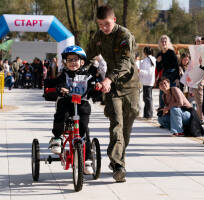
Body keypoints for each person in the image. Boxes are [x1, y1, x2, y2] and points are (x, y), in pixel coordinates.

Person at [86, 5, 140, 182]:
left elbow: (125, 62)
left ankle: (118, 158)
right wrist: (77, 69)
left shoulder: (124, 35)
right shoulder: (99, 36)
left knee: (127, 127)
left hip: (130, 85)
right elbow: (89, 56)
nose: (103, 28)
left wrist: (109, 78)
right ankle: (118, 165)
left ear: (114, 20)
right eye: (100, 24)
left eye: (106, 24)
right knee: (116, 123)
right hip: (112, 88)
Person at [49, 45, 96, 175]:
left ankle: (87, 160)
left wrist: (96, 86)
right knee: (61, 114)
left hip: (82, 104)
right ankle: (57, 138)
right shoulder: (64, 74)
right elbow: (59, 83)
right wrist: (61, 88)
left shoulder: (87, 75)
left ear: (82, 61)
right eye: (69, 60)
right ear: (65, 62)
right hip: (67, 102)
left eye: (75, 60)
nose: (73, 63)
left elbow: (94, 84)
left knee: (84, 129)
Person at [156, 35, 179, 108]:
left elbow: (176, 66)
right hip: (165, 74)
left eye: (165, 41)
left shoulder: (171, 52)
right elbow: (159, 69)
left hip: (173, 74)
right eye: (162, 41)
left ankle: (173, 111)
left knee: (172, 93)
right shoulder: (159, 54)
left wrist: (177, 78)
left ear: (168, 42)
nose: (164, 43)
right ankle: (162, 111)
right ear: (160, 43)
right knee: (162, 93)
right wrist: (158, 62)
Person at [139, 47, 156, 119]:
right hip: (149, 80)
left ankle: (149, 114)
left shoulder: (147, 60)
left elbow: (148, 72)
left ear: (144, 52)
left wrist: (139, 71)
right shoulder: (153, 59)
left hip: (147, 81)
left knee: (147, 98)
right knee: (147, 98)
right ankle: (147, 114)